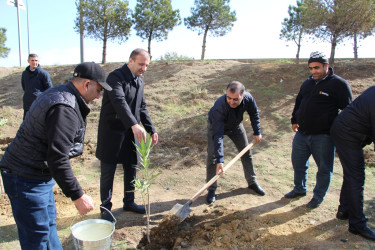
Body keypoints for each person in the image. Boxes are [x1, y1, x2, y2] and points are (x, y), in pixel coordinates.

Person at [0, 62, 112, 249]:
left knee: (49, 226)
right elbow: (57, 158)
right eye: (99, 89)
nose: (99, 96)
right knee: (37, 239)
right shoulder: (65, 108)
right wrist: (78, 196)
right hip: (25, 177)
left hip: (38, 173)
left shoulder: (62, 93)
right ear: (86, 84)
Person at [284, 51, 353, 208]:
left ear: (326, 66)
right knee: (298, 163)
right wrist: (294, 119)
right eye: (311, 68)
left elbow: (349, 110)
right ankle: (299, 189)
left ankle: (318, 196)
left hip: (324, 136)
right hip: (302, 134)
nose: (313, 71)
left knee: (324, 168)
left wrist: (339, 130)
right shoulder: (308, 82)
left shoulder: (339, 85)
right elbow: (299, 101)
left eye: (317, 68)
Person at [96, 48, 158, 220]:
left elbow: (142, 107)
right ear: (130, 61)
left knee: (131, 168)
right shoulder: (114, 78)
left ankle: (129, 202)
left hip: (131, 133)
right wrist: (134, 124)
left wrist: (151, 129)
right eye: (141, 64)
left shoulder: (140, 81)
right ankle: (106, 208)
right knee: (108, 172)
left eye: (146, 65)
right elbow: (119, 101)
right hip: (112, 133)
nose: (144, 68)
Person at [206, 81, 264, 204]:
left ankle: (252, 182)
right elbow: (218, 136)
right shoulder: (219, 106)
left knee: (246, 153)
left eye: (235, 99)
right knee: (213, 157)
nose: (232, 102)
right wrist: (220, 159)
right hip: (216, 128)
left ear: (243, 96)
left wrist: (257, 131)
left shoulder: (248, 98)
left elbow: (254, 113)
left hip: (236, 126)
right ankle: (211, 189)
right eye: (229, 98)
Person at [330, 85, 375, 241]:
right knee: (357, 178)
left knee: (352, 175)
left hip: (349, 130)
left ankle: (344, 210)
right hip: (347, 134)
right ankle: (357, 224)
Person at [21, 53, 53, 119]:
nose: (34, 62)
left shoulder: (43, 73)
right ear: (28, 61)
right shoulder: (25, 73)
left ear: (38, 61)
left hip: (39, 103)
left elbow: (49, 89)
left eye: (36, 60)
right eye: (32, 60)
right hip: (28, 102)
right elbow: (24, 86)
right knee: (26, 122)